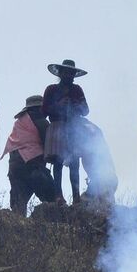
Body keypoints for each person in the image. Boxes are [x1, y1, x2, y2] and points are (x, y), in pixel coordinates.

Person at [43, 59, 89, 204]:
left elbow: (86, 110)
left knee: (75, 163)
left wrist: (75, 105)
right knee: (58, 162)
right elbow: (44, 111)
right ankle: (58, 196)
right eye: (67, 72)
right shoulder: (51, 90)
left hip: (74, 128)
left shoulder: (77, 90)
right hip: (57, 127)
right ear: (61, 73)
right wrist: (58, 105)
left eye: (71, 73)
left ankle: (76, 197)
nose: (69, 75)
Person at [3, 95, 57, 214]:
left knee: (19, 203)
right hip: (33, 166)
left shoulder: (19, 122)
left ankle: (17, 227)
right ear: (40, 108)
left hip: (15, 167)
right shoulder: (41, 121)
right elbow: (48, 144)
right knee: (51, 195)